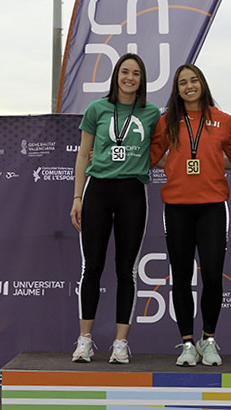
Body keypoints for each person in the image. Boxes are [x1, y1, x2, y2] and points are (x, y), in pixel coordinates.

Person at [69, 53, 161, 363]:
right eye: (125, 72)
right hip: (98, 190)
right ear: (116, 75)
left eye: (136, 73)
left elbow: (163, 150)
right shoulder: (97, 109)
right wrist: (77, 197)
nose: (130, 78)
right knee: (92, 267)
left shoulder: (151, 114)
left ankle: (121, 343)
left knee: (126, 270)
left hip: (132, 192)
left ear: (142, 79)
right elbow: (83, 154)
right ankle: (84, 340)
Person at [150, 64, 231, 367]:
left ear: (203, 83)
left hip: (213, 206)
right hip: (177, 207)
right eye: (183, 83)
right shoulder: (166, 122)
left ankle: (209, 339)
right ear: (176, 90)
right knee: (182, 276)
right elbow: (147, 156)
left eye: (194, 80)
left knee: (213, 275)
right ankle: (187, 343)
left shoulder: (224, 121)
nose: (189, 86)